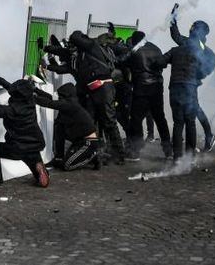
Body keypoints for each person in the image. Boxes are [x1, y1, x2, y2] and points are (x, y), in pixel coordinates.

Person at [160, 13, 215, 162]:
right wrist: (173, 20)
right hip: (190, 87)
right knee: (190, 118)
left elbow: (209, 65)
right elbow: (176, 35)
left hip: (182, 86)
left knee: (181, 121)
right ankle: (192, 152)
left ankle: (182, 154)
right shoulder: (194, 45)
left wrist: (198, 76)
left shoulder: (199, 47)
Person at [68, 30, 126, 164]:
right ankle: (94, 151)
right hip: (94, 90)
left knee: (109, 121)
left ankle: (119, 154)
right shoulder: (84, 54)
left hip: (103, 88)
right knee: (90, 121)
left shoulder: (91, 45)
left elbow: (75, 36)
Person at [124, 31, 173, 160]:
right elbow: (162, 64)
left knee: (136, 119)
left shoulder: (135, 51)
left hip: (141, 89)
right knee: (160, 118)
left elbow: (122, 62)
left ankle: (135, 151)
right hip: (157, 88)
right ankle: (168, 150)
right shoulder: (156, 48)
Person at [34, 83, 101, 171]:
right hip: (78, 140)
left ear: (66, 95)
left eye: (61, 96)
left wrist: (32, 98)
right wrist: (35, 89)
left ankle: (93, 156)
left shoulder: (71, 104)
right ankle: (59, 158)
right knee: (59, 127)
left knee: (67, 165)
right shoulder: (68, 102)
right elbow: (51, 98)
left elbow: (50, 103)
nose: (59, 98)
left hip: (88, 142)